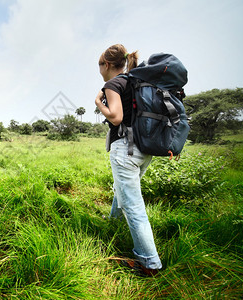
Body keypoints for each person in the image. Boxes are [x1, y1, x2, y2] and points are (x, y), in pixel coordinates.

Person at [95, 44, 162, 276]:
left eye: (100, 65)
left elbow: (116, 117)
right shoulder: (135, 81)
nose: (100, 70)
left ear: (106, 65)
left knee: (133, 206)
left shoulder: (113, 84)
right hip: (144, 149)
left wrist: (99, 103)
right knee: (122, 189)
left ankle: (149, 263)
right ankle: (113, 220)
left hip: (125, 149)